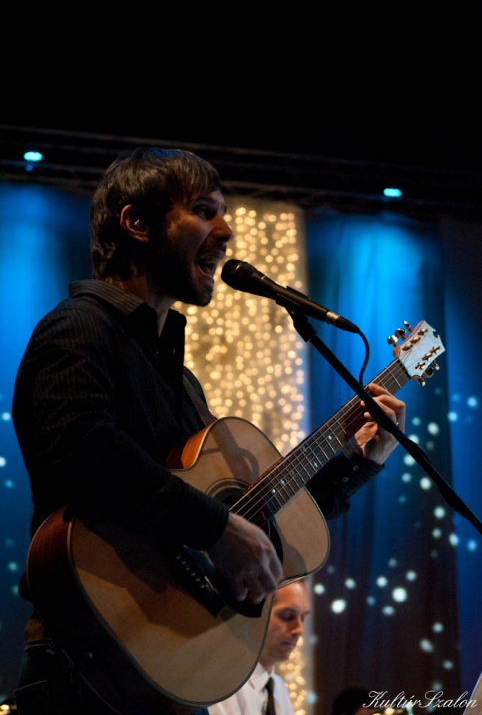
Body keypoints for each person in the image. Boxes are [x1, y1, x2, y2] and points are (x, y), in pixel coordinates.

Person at [11, 146, 406, 715]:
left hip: (166, 671)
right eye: (203, 211)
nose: (226, 231)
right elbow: (82, 448)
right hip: (85, 672)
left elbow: (263, 518)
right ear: (137, 223)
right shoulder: (79, 328)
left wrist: (361, 460)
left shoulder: (181, 380)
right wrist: (217, 526)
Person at [208, 579, 311, 715]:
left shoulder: (279, 687)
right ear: (254, 615)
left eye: (303, 618)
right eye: (287, 616)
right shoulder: (225, 684)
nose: (299, 630)